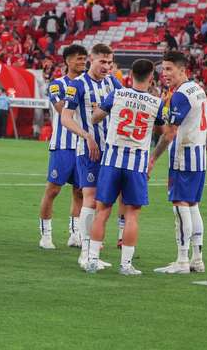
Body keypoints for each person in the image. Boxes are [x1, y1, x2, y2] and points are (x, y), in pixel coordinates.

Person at [85, 59, 165, 275]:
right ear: (151, 77)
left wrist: (104, 110)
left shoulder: (117, 95)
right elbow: (162, 130)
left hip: (112, 160)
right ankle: (126, 265)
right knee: (132, 215)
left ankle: (92, 260)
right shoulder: (156, 102)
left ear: (130, 76)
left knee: (102, 211)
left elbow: (95, 117)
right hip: (136, 163)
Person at [149, 51, 207, 274]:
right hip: (199, 157)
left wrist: (153, 158)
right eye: (163, 69)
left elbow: (170, 133)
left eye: (169, 69)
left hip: (183, 156)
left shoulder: (181, 95)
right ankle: (197, 259)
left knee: (181, 205)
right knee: (193, 205)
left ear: (182, 70)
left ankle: (182, 261)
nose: (165, 74)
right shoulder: (198, 89)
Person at [60, 43, 122, 270]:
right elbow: (66, 118)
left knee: (103, 201)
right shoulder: (77, 85)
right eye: (102, 62)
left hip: (111, 150)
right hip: (88, 149)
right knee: (90, 197)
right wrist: (86, 135)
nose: (107, 66)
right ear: (91, 60)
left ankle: (93, 252)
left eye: (110, 62)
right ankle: (85, 252)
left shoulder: (114, 83)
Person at [38, 44, 86, 250]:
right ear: (67, 61)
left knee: (80, 192)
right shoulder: (57, 84)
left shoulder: (89, 84)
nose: (82, 62)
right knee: (53, 190)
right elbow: (61, 109)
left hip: (83, 145)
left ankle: (75, 233)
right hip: (63, 145)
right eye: (78, 58)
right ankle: (46, 235)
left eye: (84, 59)